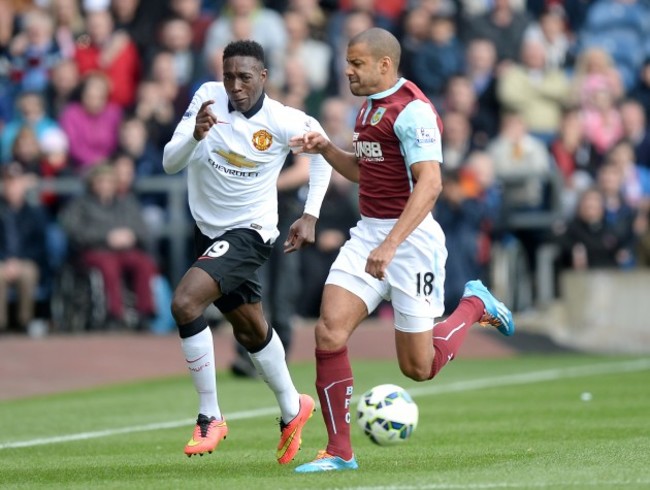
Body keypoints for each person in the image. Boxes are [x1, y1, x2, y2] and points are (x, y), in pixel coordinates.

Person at [289, 27, 515, 473]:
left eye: (355, 63)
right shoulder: (368, 108)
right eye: (347, 62)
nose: (347, 69)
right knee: (328, 332)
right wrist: (326, 148)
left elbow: (431, 184)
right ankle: (339, 452)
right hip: (368, 234)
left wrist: (392, 245)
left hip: (411, 243)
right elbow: (363, 170)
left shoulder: (414, 112)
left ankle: (474, 305)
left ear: (384, 65)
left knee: (419, 367)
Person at [161, 40, 332, 462]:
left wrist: (310, 214)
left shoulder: (282, 120)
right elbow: (169, 162)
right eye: (229, 76)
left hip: (250, 232)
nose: (235, 86)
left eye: (245, 77)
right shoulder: (206, 98)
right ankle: (294, 408)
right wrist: (195, 136)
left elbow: (323, 153)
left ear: (264, 77)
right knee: (252, 330)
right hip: (209, 232)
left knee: (185, 304)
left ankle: (210, 415)